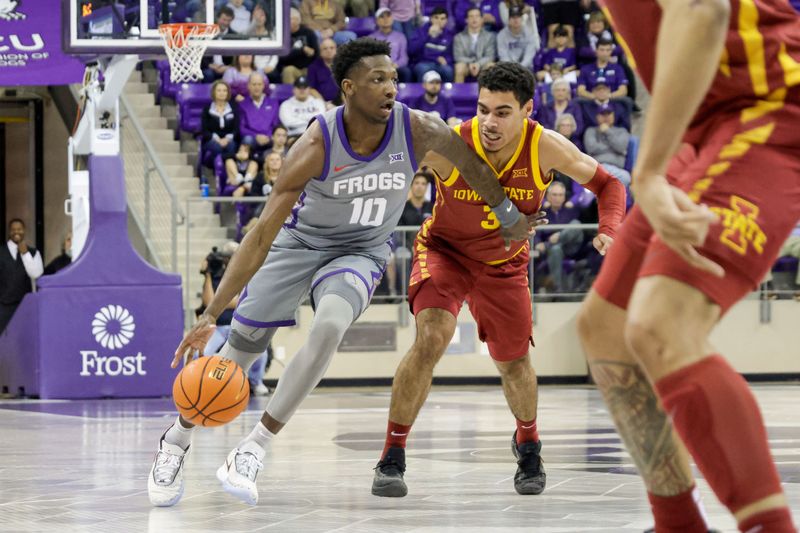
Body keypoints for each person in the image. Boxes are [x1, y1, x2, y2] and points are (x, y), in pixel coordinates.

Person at [147, 38, 534, 508]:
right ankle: (176, 440)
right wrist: (211, 312)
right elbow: (262, 232)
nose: (391, 87)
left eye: (393, 78)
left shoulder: (420, 131)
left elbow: (472, 165)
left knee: (329, 325)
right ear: (348, 88)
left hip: (361, 252)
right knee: (235, 357)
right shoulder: (315, 144)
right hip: (300, 245)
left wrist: (507, 212)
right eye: (378, 79)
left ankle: (252, 449)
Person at [575, 1, 800, 532]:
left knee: (662, 324)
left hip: (766, 104)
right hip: (704, 121)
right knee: (606, 328)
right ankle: (677, 524)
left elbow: (702, 8)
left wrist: (648, 172)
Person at [371, 62, 626, 498]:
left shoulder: (546, 147)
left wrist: (610, 228)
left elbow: (610, 185)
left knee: (513, 363)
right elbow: (380, 158)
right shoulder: (450, 142)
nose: (489, 121)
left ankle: (528, 444)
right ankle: (392, 455)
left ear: (528, 109)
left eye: (503, 112)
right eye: (483, 108)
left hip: (505, 264)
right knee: (432, 336)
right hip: (445, 253)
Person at [199, 242, 269, 396]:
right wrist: (208, 274)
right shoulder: (217, 277)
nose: (227, 261)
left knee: (261, 352)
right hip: (217, 327)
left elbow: (242, 301)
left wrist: (222, 301)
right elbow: (209, 302)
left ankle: (256, 383)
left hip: (239, 325)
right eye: (226, 258)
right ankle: (204, 384)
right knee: (204, 351)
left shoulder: (249, 274)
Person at [0, 219, 43, 333]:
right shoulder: (1, 251)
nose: (16, 232)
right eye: (13, 229)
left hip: (25, 305)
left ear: (24, 231)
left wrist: (25, 254)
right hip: (3, 307)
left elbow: (36, 273)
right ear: (9, 232)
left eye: (19, 229)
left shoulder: (33, 252)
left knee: (23, 337)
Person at [582, 104, 631, 189]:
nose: (606, 117)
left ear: (613, 116)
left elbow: (621, 147)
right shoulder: (591, 131)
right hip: (597, 168)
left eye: (608, 114)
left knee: (626, 178)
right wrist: (612, 147)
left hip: (617, 170)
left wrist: (607, 131)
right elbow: (591, 148)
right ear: (597, 117)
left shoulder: (622, 131)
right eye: (602, 114)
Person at [238, 72, 279, 158]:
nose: (257, 87)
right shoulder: (242, 104)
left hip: (269, 137)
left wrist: (268, 136)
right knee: (247, 139)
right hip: (252, 139)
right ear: (248, 86)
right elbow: (242, 128)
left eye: (259, 84)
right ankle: (246, 168)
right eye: (254, 84)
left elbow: (275, 125)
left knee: (279, 138)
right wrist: (256, 136)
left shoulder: (273, 103)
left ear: (263, 85)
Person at [409, 7, 455, 83]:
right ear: (431, 19)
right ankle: (421, 94)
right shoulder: (420, 31)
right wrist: (428, 35)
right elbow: (412, 51)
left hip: (440, 65)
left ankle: (447, 94)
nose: (439, 21)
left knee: (448, 71)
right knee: (423, 69)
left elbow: (452, 55)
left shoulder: (450, 35)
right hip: (423, 62)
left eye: (442, 18)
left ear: (446, 21)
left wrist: (446, 60)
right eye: (436, 18)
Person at [453, 7, 497, 83]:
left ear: (482, 19)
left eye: (477, 16)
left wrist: (478, 64)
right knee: (459, 67)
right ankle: (459, 94)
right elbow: (458, 57)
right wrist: (471, 63)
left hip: (483, 64)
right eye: (471, 16)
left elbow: (490, 56)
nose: (474, 19)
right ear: (466, 20)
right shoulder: (458, 37)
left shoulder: (490, 36)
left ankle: (490, 94)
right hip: (466, 65)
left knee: (491, 66)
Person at [278, 76, 327, 144]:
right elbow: (289, 123)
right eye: (299, 87)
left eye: (304, 87)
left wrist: (299, 119)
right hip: (294, 136)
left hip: (315, 135)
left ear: (309, 89)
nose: (302, 90)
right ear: (294, 89)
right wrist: (309, 120)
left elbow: (320, 121)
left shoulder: (318, 103)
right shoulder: (286, 105)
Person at [368, 7, 412, 83]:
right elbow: (370, 58)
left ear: (392, 19)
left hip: (396, 67)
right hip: (378, 67)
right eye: (382, 17)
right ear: (377, 21)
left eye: (388, 16)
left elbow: (404, 57)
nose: (386, 19)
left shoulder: (400, 36)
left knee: (406, 72)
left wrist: (396, 65)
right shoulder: (371, 38)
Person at [278, 8, 319, 85]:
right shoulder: (282, 35)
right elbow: (282, 57)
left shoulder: (308, 33)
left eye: (290, 19)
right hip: (292, 68)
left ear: (298, 21)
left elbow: (316, 53)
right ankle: (289, 95)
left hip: (308, 68)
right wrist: (302, 50)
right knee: (288, 71)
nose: (286, 22)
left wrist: (311, 52)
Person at [201, 81, 240, 161]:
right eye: (219, 90)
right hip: (212, 139)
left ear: (228, 93)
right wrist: (218, 140)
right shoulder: (207, 109)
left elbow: (236, 128)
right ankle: (216, 168)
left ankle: (227, 169)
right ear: (214, 92)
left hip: (229, 139)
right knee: (216, 147)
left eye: (224, 90)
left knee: (231, 146)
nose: (222, 93)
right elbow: (205, 130)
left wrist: (227, 139)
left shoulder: (234, 108)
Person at [496, 6, 538, 72]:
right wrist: (512, 69)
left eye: (518, 17)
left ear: (521, 19)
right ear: (509, 20)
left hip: (526, 69)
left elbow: (529, 56)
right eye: (513, 17)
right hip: (508, 69)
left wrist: (520, 68)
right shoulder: (501, 35)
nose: (516, 20)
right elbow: (503, 56)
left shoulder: (529, 33)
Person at [306, 37, 341, 106]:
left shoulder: (343, 65)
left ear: (336, 50)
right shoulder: (313, 67)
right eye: (325, 48)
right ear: (320, 52)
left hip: (341, 104)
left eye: (331, 48)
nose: (329, 51)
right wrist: (323, 104)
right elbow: (311, 89)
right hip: (321, 104)